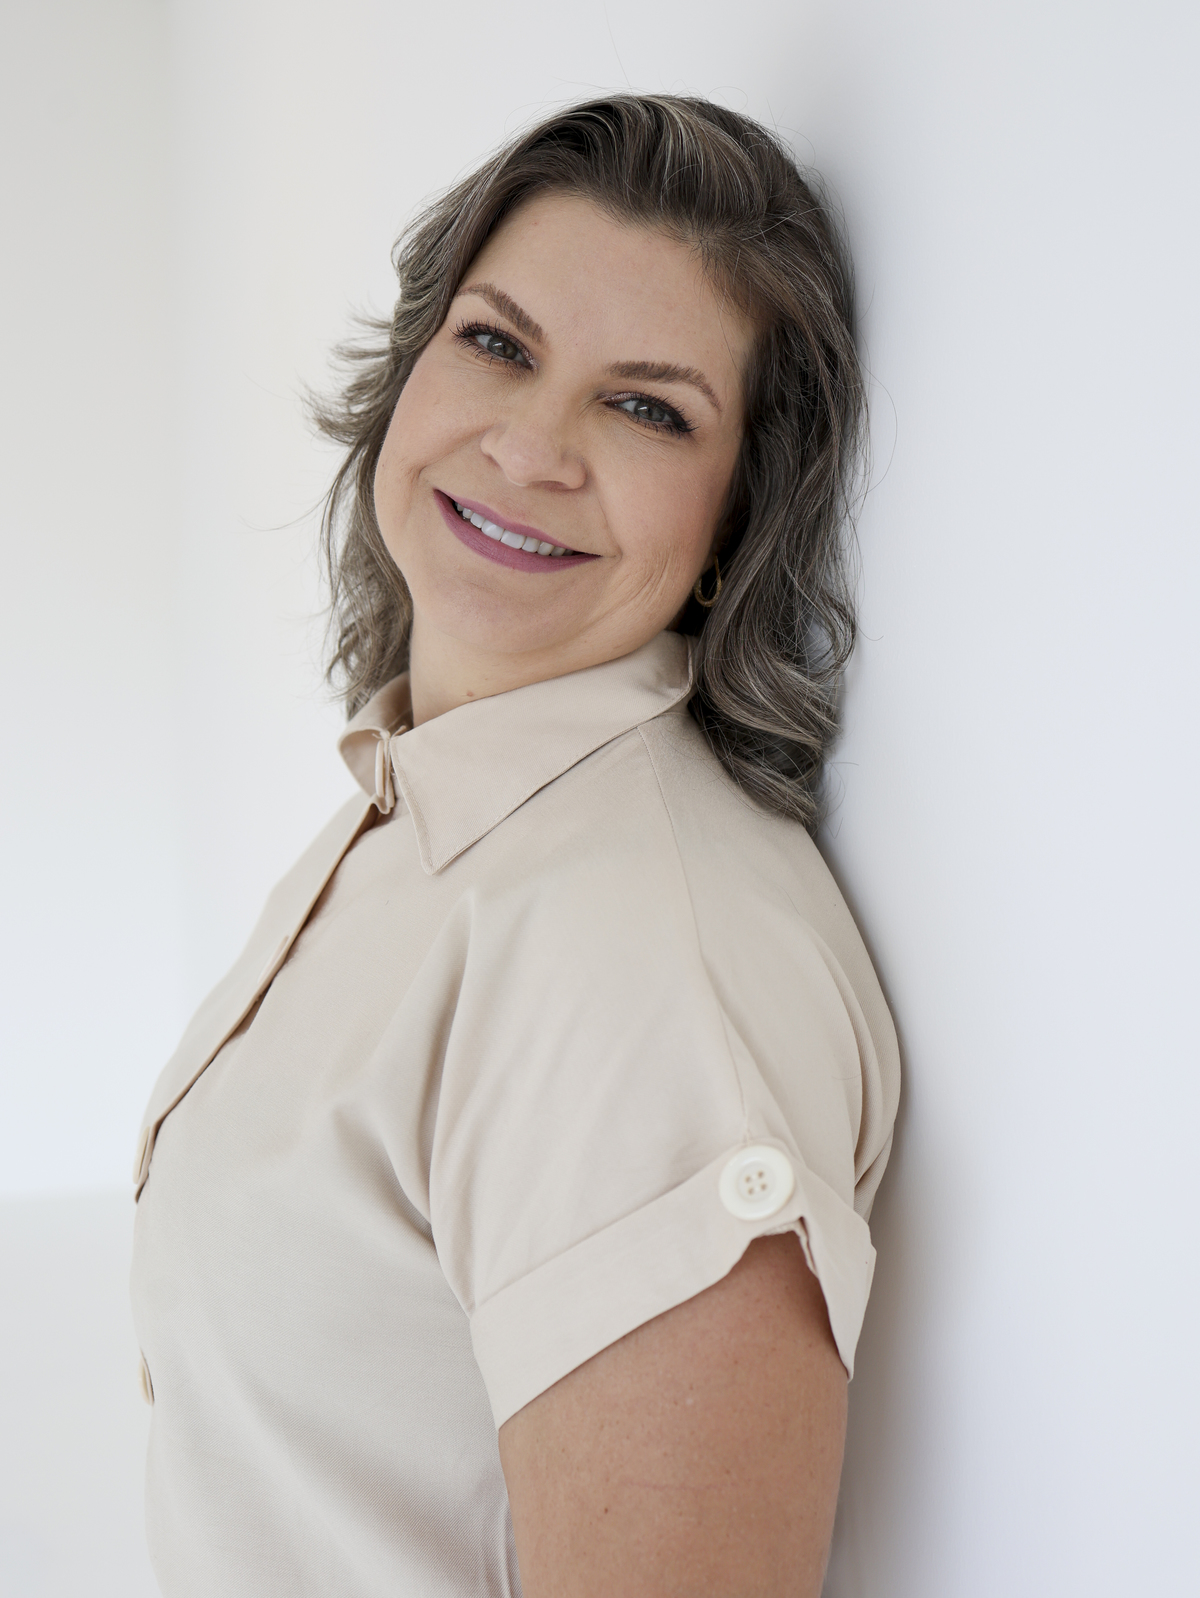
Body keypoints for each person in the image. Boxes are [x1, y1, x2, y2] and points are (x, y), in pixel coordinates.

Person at [129, 93, 900, 1598]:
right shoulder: (427, 802)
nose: (532, 444)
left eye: (649, 408)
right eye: (497, 343)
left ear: (740, 517)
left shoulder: (638, 961)